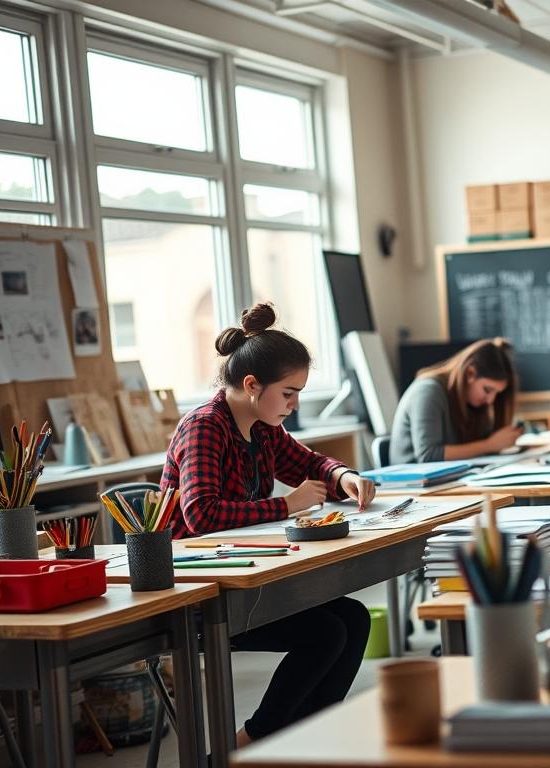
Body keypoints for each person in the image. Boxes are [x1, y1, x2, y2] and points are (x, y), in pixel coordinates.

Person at [161, 303, 376, 746]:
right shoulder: (204, 428)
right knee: (326, 632)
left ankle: (304, 739)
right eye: (289, 393)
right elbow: (199, 514)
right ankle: (250, 744)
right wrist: (287, 506)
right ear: (251, 385)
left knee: (353, 618)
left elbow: (310, 463)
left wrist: (343, 476)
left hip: (244, 578)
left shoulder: (261, 426)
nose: (294, 406)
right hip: (200, 593)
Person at [388, 337, 523, 464]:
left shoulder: (470, 403)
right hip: (410, 484)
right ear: (470, 373)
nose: (491, 400)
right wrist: (490, 445)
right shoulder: (428, 390)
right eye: (487, 390)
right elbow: (428, 456)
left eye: (497, 394)